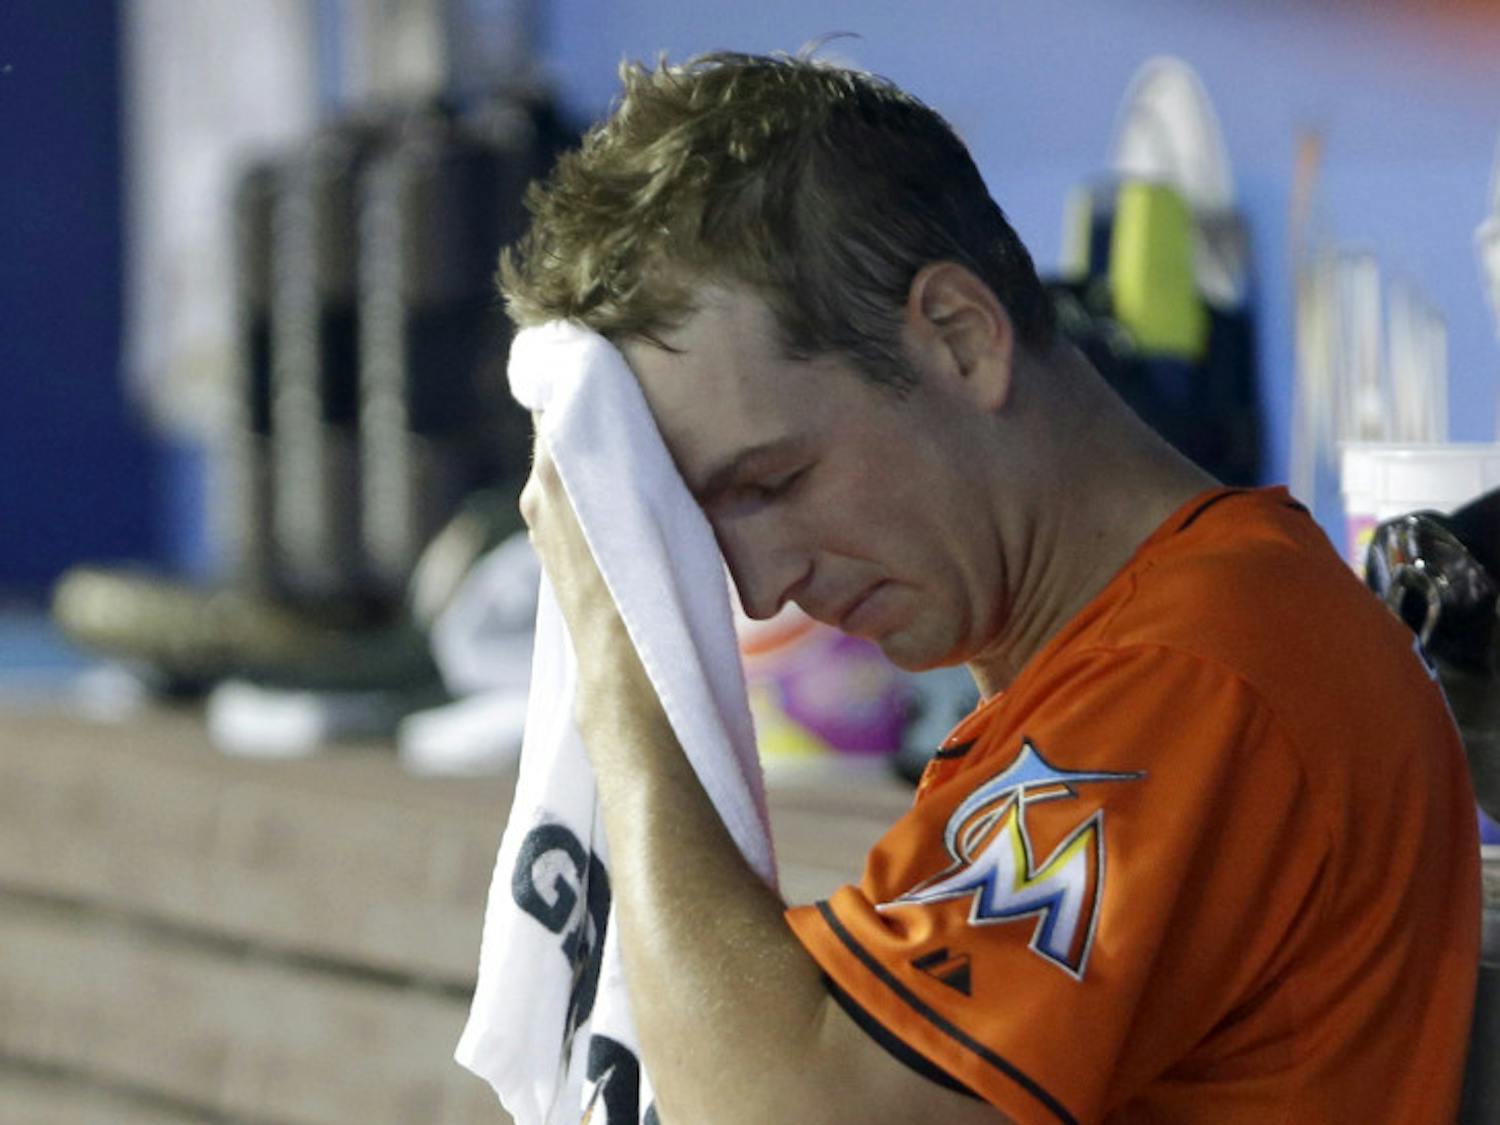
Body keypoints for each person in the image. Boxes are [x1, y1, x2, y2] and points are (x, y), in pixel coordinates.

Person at [511, 50, 1481, 1123]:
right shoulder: (1126, 657)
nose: (760, 587)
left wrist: (613, 658)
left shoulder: (1200, 672)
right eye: (706, 527)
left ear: (962, 340)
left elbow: (792, 1113)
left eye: (776, 480)